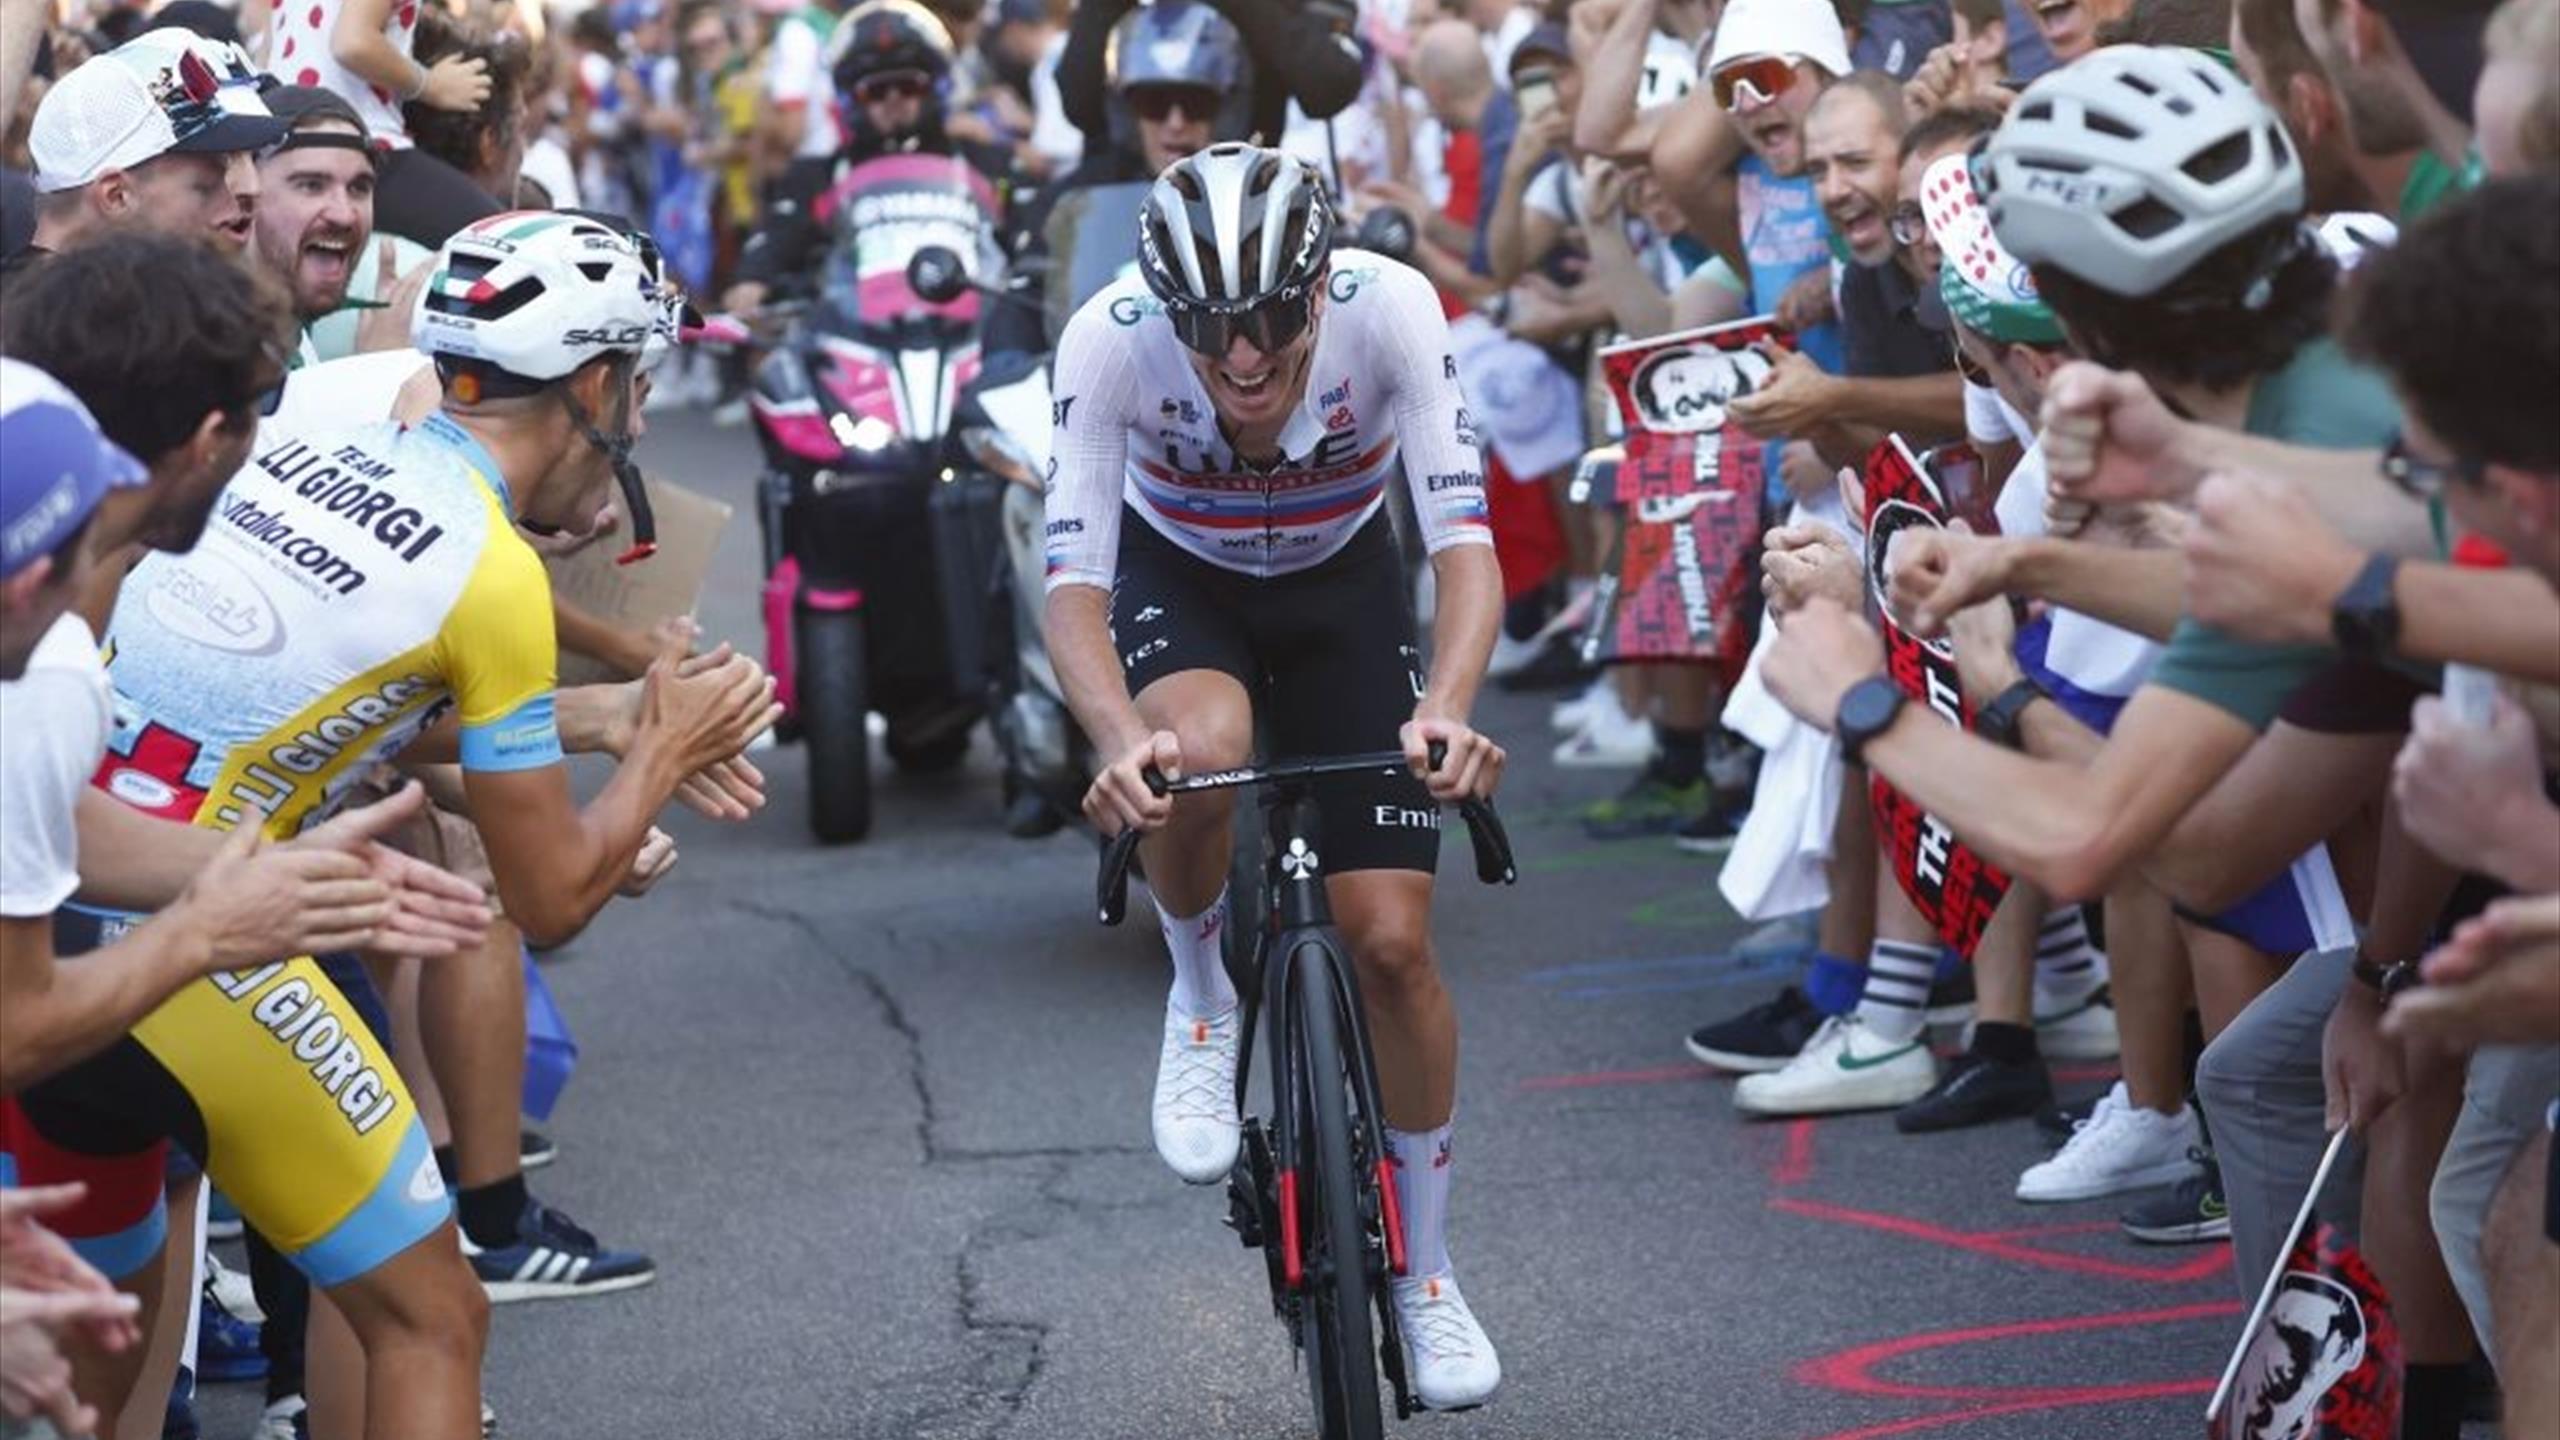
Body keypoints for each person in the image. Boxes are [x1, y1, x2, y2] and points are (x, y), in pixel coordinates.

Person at [1045, 143, 1505, 1410]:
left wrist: (1448, 712)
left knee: (1392, 943)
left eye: (1268, 322)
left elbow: (1464, 545)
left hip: (1342, 586)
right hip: (1176, 576)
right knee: (1194, 753)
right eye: (1209, 329)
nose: (1242, 360)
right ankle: (1201, 990)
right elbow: (1073, 580)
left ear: (1320, 288)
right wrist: (1109, 738)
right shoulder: (1107, 340)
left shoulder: (1392, 306)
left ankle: (1423, 1270)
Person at [722, 0, 1008, 318]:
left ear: (933, 88)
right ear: (851, 97)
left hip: (973, 339)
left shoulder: (983, 163)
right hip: (856, 344)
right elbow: (778, 236)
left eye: (908, 85)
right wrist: (754, 280)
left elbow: (1032, 239)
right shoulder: (820, 175)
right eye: (874, 91)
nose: (893, 99)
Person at [17, 28, 283, 262]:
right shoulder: (31, 315)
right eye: (211, 178)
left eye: (254, 158)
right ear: (117, 196)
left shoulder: (153, 309)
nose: (252, 188)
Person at [261, 0, 502, 246]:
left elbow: (266, 58)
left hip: (279, 143)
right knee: (497, 235)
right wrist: (429, 85)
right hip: (358, 140)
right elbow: (353, 43)